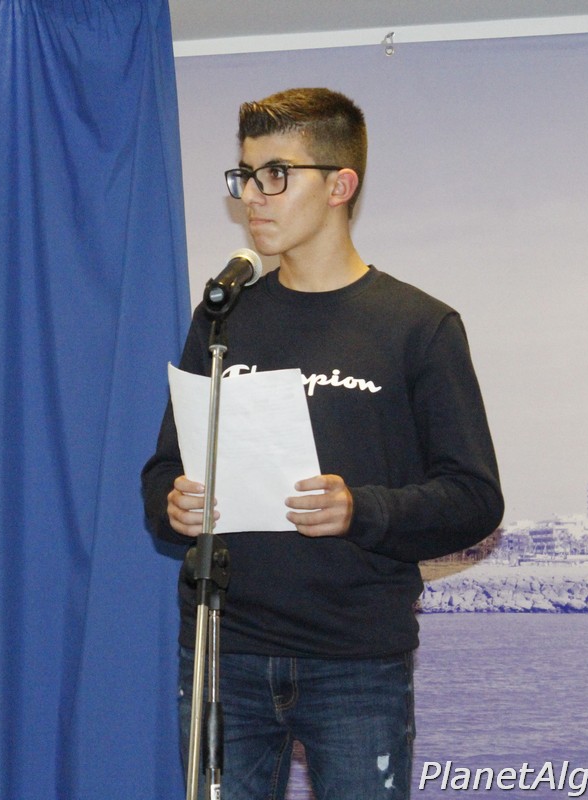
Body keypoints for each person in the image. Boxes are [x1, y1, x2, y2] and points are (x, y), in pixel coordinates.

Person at [141, 89, 504, 799]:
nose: (253, 195)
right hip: (225, 651)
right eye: (245, 175)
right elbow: (163, 470)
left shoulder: (418, 326)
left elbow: (474, 498)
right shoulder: (222, 319)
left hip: (356, 659)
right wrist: (173, 505)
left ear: (340, 185)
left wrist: (359, 510)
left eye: (276, 174)